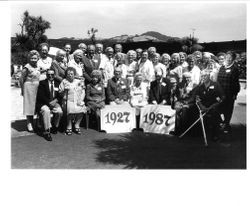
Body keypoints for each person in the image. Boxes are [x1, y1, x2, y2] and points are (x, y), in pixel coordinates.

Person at [193, 69, 225, 141]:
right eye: (202, 76)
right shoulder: (200, 87)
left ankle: (215, 135)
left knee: (215, 114)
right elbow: (197, 99)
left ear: (209, 76)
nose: (203, 77)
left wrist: (211, 107)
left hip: (214, 106)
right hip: (203, 107)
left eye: (205, 76)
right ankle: (197, 133)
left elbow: (222, 97)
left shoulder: (216, 85)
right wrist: (202, 107)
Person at [36, 68, 63, 141]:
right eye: (48, 74)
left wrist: (56, 100)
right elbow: (41, 96)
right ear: (46, 75)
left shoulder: (58, 83)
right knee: (46, 111)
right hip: (43, 103)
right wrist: (49, 103)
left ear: (54, 75)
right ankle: (47, 131)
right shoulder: (42, 83)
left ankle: (55, 126)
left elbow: (61, 95)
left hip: (54, 102)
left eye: (52, 74)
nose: (50, 76)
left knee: (59, 111)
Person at [59, 67, 87, 135]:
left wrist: (81, 100)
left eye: (72, 74)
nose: (70, 75)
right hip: (68, 100)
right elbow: (60, 93)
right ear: (66, 75)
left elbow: (83, 90)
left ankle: (77, 125)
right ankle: (69, 126)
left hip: (78, 100)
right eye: (68, 74)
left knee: (82, 109)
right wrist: (65, 90)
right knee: (70, 109)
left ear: (74, 74)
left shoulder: (78, 81)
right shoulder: (64, 81)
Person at [217, 51, 240, 133]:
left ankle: (227, 125)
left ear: (233, 59)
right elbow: (218, 80)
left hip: (229, 93)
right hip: (220, 93)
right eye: (227, 57)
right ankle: (221, 122)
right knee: (217, 108)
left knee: (228, 110)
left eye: (230, 57)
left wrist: (235, 94)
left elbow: (236, 83)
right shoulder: (222, 67)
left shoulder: (235, 69)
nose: (228, 59)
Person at [19, 50, 41, 132]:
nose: (33, 60)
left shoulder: (38, 67)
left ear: (38, 58)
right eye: (32, 58)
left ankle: (37, 122)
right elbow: (21, 79)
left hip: (37, 87)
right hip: (29, 87)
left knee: (36, 105)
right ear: (29, 58)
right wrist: (22, 90)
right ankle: (29, 123)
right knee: (29, 106)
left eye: (35, 58)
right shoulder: (27, 67)